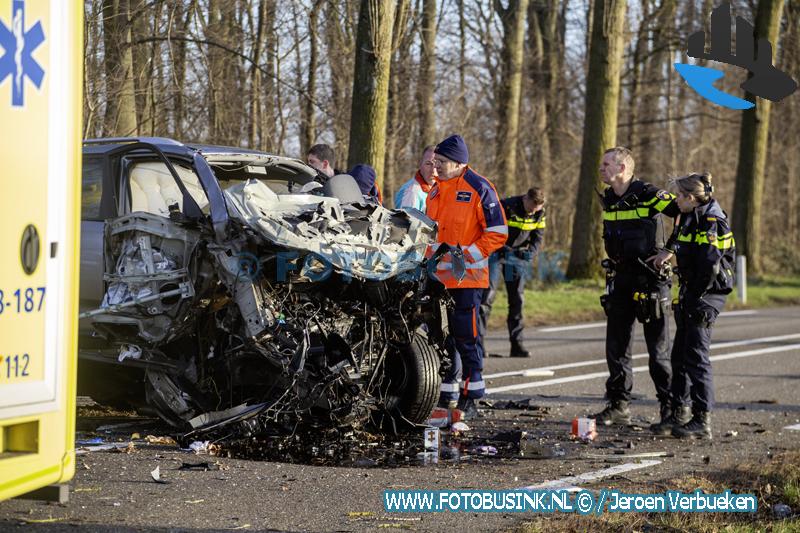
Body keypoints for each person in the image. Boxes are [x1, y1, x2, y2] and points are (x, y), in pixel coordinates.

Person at [591, 147, 681, 428]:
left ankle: (671, 409)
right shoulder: (609, 198)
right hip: (620, 278)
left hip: (650, 279)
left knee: (658, 350)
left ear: (622, 168)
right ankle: (619, 405)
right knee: (616, 347)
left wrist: (670, 250)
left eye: (606, 164)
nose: (601, 169)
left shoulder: (648, 193)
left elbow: (684, 212)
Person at [425, 134, 507, 419]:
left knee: (467, 337)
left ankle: (472, 394)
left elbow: (498, 233)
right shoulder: (435, 191)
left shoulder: (480, 187)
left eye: (442, 162)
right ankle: (447, 393)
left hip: (467, 280)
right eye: (435, 161)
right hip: (437, 280)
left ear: (459, 163)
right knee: (441, 338)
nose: (436, 167)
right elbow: (429, 235)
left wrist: (467, 255)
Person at [649, 173, 735, 439]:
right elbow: (679, 236)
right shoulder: (689, 215)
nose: (675, 200)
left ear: (689, 197)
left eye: (678, 196)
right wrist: (666, 253)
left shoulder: (712, 221)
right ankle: (679, 413)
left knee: (697, 358)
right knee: (680, 357)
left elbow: (710, 266)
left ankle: (702, 420)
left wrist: (694, 297)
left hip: (706, 295)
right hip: (692, 292)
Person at [479, 187, 546, 358]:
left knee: (517, 299)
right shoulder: (506, 206)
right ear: (525, 198)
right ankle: (478, 346)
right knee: (487, 298)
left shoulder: (540, 212)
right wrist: (504, 248)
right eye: (531, 208)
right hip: (496, 255)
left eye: (535, 210)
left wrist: (530, 252)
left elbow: (538, 237)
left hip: (514, 259)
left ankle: (517, 345)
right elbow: (490, 230)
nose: (532, 212)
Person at [394, 145, 437, 212]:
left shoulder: (438, 189)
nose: (433, 170)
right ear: (420, 164)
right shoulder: (411, 193)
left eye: (437, 163)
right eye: (428, 164)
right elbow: (404, 222)